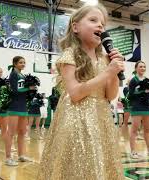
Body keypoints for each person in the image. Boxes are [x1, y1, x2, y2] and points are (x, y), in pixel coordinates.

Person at [37, 4, 124, 179]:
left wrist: (113, 73)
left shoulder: (104, 59)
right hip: (76, 119)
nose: (100, 25)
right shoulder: (69, 55)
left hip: (101, 118)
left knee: (100, 165)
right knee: (78, 166)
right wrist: (108, 72)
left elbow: (110, 95)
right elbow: (75, 93)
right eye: (93, 20)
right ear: (75, 27)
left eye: (103, 23)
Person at [5, 56, 35, 166]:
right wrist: (29, 89)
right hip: (14, 106)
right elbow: (15, 90)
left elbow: (23, 90)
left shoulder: (21, 75)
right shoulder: (13, 74)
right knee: (11, 132)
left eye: (24, 62)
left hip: (23, 106)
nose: (23, 64)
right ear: (14, 63)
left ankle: (21, 155)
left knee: (22, 132)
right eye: (20, 62)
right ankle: (8, 158)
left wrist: (31, 91)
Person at [129, 61, 149, 159]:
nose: (142, 68)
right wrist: (141, 90)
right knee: (134, 130)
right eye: (140, 66)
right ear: (136, 68)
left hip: (147, 107)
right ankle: (133, 151)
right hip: (137, 107)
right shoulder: (133, 80)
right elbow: (131, 95)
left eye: (144, 67)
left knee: (147, 129)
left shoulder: (148, 80)